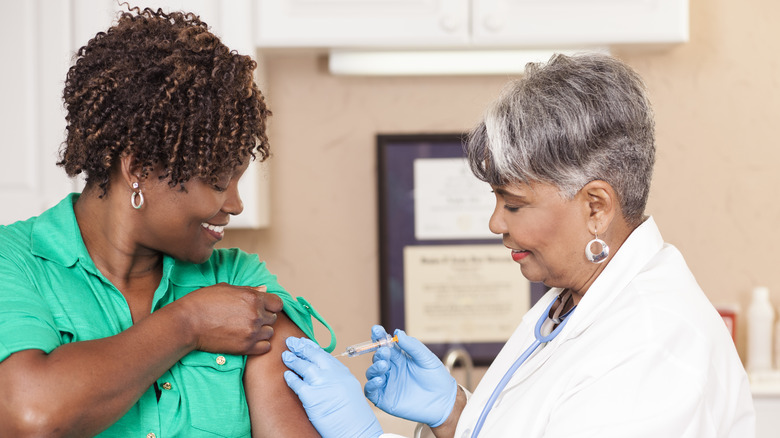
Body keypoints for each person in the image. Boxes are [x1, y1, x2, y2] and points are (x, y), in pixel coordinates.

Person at [281, 53, 756, 437]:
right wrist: (455, 416)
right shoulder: (571, 303)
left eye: (514, 204)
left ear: (596, 207)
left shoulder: (653, 347)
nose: (494, 223)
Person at [0, 7, 333, 437]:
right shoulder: (14, 263)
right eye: (218, 180)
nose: (235, 204)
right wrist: (188, 323)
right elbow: (29, 413)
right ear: (137, 169)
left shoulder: (238, 278)